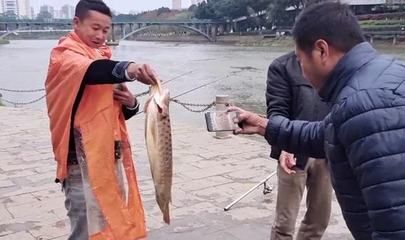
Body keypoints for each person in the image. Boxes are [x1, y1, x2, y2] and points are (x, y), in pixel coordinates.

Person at [230, 2, 405, 240]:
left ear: (322, 50)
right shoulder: (387, 71)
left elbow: (394, 222)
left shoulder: (360, 104)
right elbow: (327, 133)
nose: (302, 71)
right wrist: (264, 125)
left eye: (302, 61)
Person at [45, 0, 157, 239]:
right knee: (85, 228)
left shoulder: (102, 57)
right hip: (80, 161)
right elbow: (92, 70)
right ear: (77, 23)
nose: (101, 35)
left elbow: (118, 114)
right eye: (95, 28)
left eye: (105, 30)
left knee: (110, 225)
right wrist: (131, 68)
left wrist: (131, 103)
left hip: (109, 157)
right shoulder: (64, 58)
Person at [266, 52, 332, 240]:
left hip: (324, 151)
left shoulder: (331, 63)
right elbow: (277, 111)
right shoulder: (282, 66)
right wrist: (284, 145)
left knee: (319, 220)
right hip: (293, 152)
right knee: (284, 224)